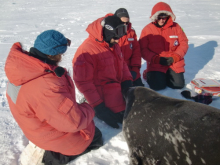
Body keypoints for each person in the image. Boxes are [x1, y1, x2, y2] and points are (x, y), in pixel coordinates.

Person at [5, 30, 103, 165]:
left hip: (35, 126)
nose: (62, 57)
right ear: (52, 55)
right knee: (93, 136)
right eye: (61, 53)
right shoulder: (47, 85)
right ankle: (49, 157)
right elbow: (74, 122)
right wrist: (88, 106)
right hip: (48, 134)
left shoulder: (23, 69)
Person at [72, 15, 133, 129]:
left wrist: (127, 81)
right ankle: (89, 102)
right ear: (107, 33)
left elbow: (122, 64)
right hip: (102, 95)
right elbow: (83, 82)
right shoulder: (87, 51)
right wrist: (99, 107)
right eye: (115, 36)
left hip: (116, 87)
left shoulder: (112, 44)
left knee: (137, 107)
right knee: (128, 117)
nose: (118, 40)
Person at [139, 2, 189, 90]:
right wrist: (156, 59)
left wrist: (176, 57)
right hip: (156, 62)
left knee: (178, 85)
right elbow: (143, 49)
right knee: (158, 87)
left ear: (168, 17)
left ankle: (167, 75)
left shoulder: (176, 27)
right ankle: (147, 73)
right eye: (159, 18)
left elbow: (184, 43)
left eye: (164, 18)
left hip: (173, 61)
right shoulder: (147, 29)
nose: (162, 20)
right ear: (155, 17)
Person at [114, 8, 144, 87]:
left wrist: (135, 69)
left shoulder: (131, 33)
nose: (125, 25)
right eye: (122, 22)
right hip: (115, 70)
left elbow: (136, 52)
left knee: (140, 88)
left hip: (130, 68)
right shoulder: (111, 34)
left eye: (127, 23)